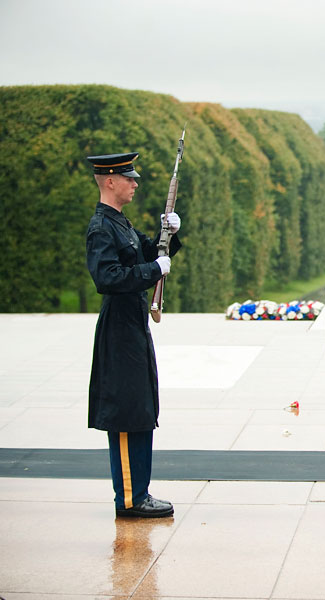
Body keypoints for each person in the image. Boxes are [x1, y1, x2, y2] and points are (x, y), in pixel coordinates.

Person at [85, 152, 182, 518]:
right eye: (129, 178)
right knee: (127, 414)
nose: (135, 183)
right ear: (110, 181)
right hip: (119, 328)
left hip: (133, 324)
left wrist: (169, 233)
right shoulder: (101, 227)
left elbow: (151, 251)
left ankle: (140, 491)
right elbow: (107, 278)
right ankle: (129, 497)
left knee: (140, 409)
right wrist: (152, 270)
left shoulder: (119, 223)